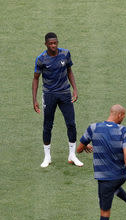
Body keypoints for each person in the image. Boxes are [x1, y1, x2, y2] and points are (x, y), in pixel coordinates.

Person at [32, 32, 83, 168]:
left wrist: (75, 89)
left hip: (65, 93)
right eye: (51, 43)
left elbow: (69, 71)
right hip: (49, 95)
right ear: (46, 44)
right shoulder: (41, 59)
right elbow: (36, 78)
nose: (53, 45)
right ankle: (47, 156)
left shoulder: (65, 54)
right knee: (48, 125)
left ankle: (72, 155)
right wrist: (34, 99)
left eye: (55, 43)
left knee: (71, 123)